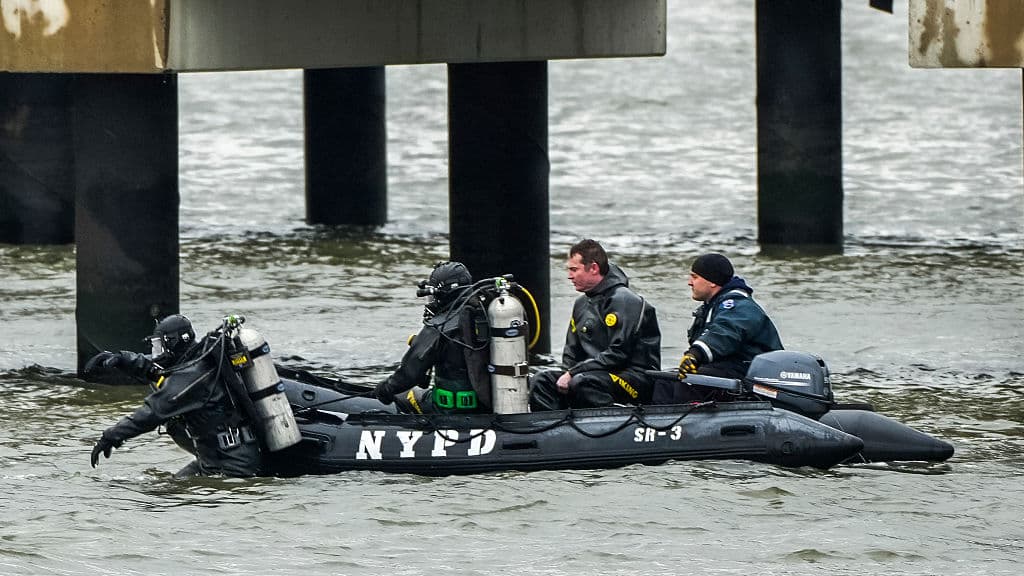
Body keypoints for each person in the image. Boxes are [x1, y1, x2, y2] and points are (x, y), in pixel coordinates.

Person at [86, 314, 263, 477]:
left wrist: (110, 437)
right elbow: (156, 370)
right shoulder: (198, 360)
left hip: (232, 466)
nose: (157, 353)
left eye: (159, 346)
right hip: (215, 460)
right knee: (168, 487)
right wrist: (122, 359)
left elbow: (151, 413)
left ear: (173, 343)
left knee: (165, 495)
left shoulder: (190, 379)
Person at [529, 239, 661, 411]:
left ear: (593, 268)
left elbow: (618, 354)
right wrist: (567, 372)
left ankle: (611, 420)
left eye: (574, 270)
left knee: (583, 382)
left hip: (634, 377)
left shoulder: (624, 300)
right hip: (591, 373)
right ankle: (553, 428)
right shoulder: (581, 304)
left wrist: (574, 373)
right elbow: (571, 353)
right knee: (541, 380)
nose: (569, 276)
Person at [654, 253, 784, 404]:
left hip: (747, 372)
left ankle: (688, 423)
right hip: (724, 369)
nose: (690, 283)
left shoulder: (737, 304)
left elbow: (725, 332)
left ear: (712, 282)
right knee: (664, 380)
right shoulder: (712, 306)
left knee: (688, 381)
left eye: (695, 277)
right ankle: (658, 421)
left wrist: (696, 353)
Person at [373, 261, 493, 414]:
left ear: (441, 294)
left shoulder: (439, 326)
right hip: (488, 405)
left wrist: (384, 390)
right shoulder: (488, 313)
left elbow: (409, 375)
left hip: (452, 410)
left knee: (404, 395)